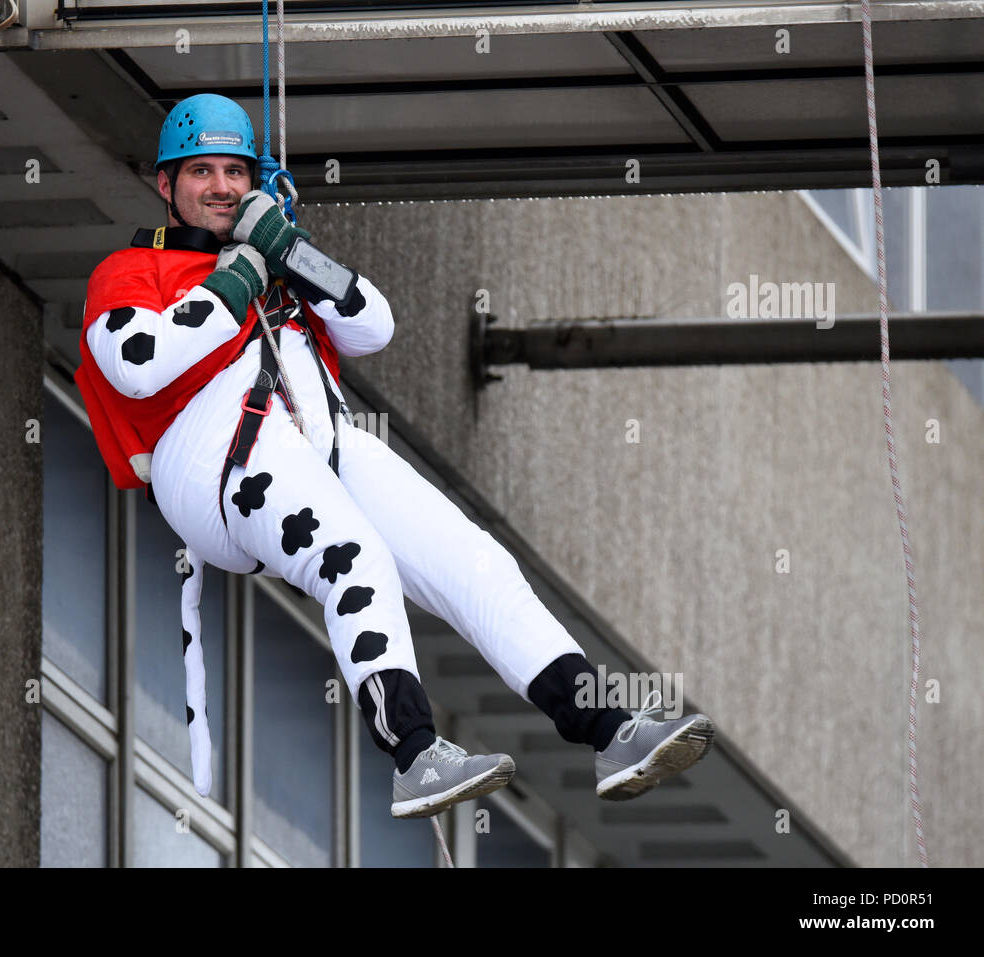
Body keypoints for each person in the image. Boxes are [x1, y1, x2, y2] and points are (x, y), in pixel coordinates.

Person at [75, 93, 714, 821]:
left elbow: (373, 324)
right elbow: (138, 362)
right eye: (201, 173)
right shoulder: (131, 270)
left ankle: (608, 729)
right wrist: (242, 275)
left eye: (235, 172)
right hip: (212, 451)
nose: (221, 187)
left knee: (474, 561)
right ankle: (413, 752)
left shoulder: (280, 264)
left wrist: (290, 251)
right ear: (166, 185)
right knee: (355, 557)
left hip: (321, 439)